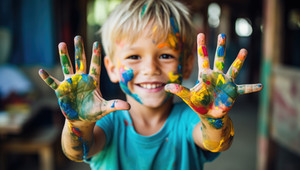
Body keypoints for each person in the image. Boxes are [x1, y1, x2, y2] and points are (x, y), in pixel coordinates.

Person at [39, 0, 263, 169]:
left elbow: (217, 142)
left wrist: (213, 119)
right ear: (112, 68)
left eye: (165, 56)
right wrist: (77, 124)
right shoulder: (108, 123)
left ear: (186, 66)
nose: (151, 69)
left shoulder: (189, 120)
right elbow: (76, 152)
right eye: (134, 57)